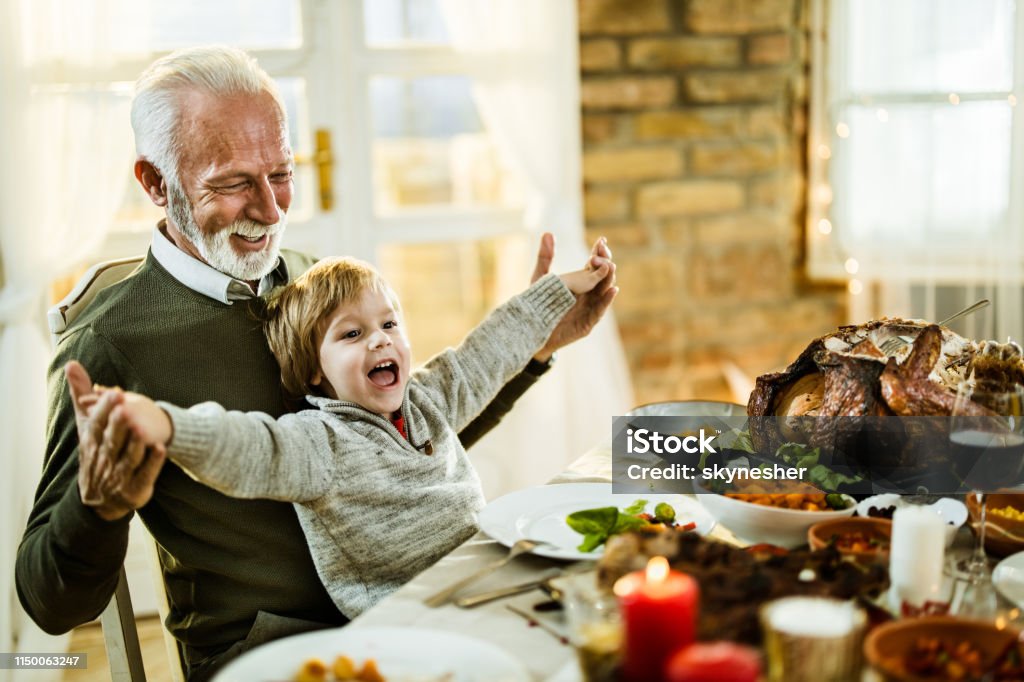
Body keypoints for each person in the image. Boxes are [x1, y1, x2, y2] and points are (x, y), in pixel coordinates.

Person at [15, 45, 617, 681]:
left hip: (414, 603)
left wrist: (536, 345)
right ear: (156, 183)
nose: (272, 212)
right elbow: (50, 603)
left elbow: (396, 443)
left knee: (603, 630)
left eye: (281, 173)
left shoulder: (308, 280)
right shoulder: (108, 343)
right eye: (233, 182)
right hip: (276, 653)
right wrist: (98, 507)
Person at [67, 254, 609, 618]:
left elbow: (486, 352)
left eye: (389, 325)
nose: (379, 340)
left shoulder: (427, 398)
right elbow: (250, 448)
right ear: (313, 372)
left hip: (486, 587)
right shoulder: (319, 443)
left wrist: (555, 294)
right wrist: (166, 423)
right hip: (409, 628)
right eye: (352, 334)